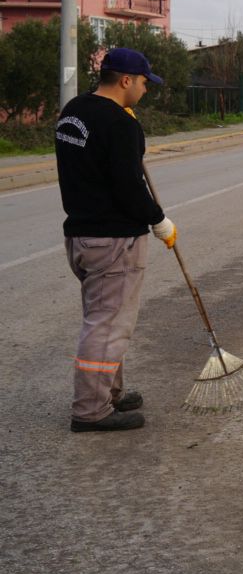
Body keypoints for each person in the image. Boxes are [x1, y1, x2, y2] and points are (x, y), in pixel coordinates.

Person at [55, 47, 177, 433]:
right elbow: (129, 187)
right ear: (125, 80)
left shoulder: (73, 111)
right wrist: (159, 221)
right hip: (113, 240)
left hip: (80, 237)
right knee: (107, 325)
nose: (144, 90)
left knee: (106, 319)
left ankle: (110, 391)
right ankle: (91, 410)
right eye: (143, 83)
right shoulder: (120, 124)